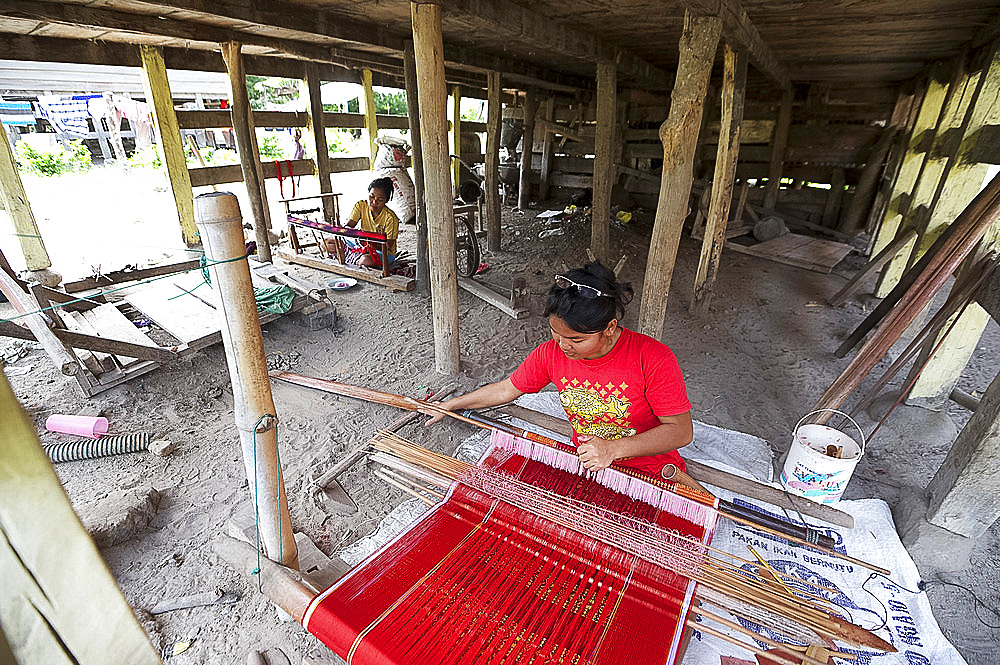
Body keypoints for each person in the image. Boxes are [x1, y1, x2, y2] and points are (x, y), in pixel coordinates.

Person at [426, 262, 693, 480]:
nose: (564, 346)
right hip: (586, 463)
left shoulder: (653, 358)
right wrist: (451, 404)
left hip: (650, 472)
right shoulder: (550, 353)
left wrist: (613, 449)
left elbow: (680, 431)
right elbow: (507, 389)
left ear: (610, 327)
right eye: (555, 334)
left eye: (576, 340)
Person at [332, 177, 400, 269]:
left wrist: (367, 241)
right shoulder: (361, 206)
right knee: (327, 242)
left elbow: (387, 246)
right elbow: (349, 226)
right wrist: (342, 229)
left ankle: (352, 256)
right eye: (371, 197)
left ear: (386, 200)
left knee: (366, 260)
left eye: (380, 200)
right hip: (362, 244)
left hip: (383, 253)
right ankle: (355, 256)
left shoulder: (391, 218)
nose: (374, 202)